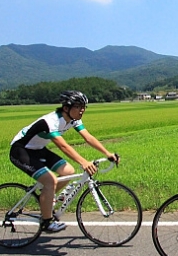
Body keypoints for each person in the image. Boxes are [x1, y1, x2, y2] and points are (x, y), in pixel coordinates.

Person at [9, 90, 119, 233]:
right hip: (21, 151)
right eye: (78, 106)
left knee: (68, 171)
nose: (82, 110)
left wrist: (107, 153)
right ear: (66, 108)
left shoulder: (73, 119)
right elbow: (63, 146)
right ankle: (47, 223)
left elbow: (88, 137)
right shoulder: (50, 122)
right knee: (50, 181)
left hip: (38, 149)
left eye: (84, 106)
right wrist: (83, 162)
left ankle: (46, 197)